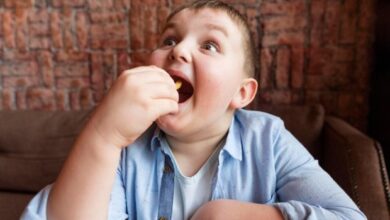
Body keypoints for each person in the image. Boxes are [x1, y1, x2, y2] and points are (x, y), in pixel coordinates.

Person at [21, 1, 366, 219]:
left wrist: (233, 217)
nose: (179, 50)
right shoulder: (125, 145)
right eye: (169, 40)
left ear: (242, 92)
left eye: (210, 44)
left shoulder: (269, 139)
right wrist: (103, 136)